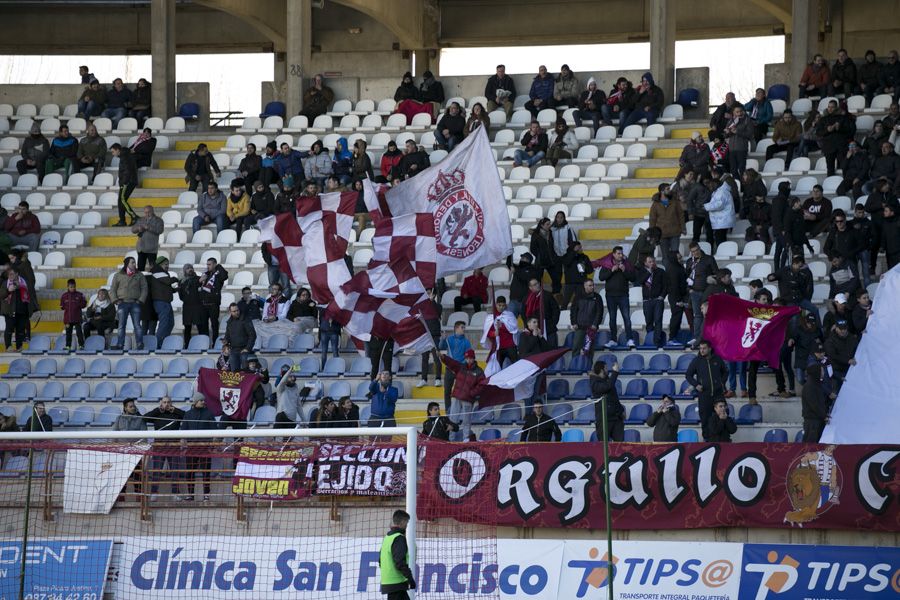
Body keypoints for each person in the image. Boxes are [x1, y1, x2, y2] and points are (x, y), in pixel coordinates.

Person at [686, 340, 728, 441]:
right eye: (700, 348)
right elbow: (688, 375)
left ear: (709, 348)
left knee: (722, 415)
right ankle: (707, 440)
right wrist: (696, 385)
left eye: (704, 348)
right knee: (705, 418)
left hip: (718, 394)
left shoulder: (717, 359)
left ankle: (723, 438)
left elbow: (725, 372)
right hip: (704, 395)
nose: (702, 350)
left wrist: (721, 383)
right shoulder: (697, 361)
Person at [143, 396, 185, 498]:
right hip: (159, 446)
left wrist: (175, 410)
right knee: (156, 471)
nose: (166, 404)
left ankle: (175, 493)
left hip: (173, 446)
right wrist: (158, 410)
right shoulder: (157, 413)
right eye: (164, 402)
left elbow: (188, 416)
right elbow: (144, 418)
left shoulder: (176, 414)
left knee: (175, 471)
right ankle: (153, 493)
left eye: (169, 402)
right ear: (161, 403)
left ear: (172, 403)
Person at [597, 246, 636, 348]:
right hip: (610, 296)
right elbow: (601, 278)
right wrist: (612, 270)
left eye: (621, 253)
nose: (620, 255)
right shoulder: (607, 264)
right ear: (613, 254)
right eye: (618, 253)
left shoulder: (626, 264)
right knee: (612, 318)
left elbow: (633, 278)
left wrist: (624, 271)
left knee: (627, 318)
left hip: (623, 295)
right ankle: (613, 340)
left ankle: (630, 339)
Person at [442, 349, 486, 440]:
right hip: (456, 397)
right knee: (452, 420)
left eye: (470, 358)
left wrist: (471, 393)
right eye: (467, 358)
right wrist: (444, 358)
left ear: (474, 358)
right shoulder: (461, 367)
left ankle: (466, 440)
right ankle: (451, 440)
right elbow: (452, 363)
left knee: (467, 421)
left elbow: (482, 385)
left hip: (468, 399)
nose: (468, 360)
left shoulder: (479, 371)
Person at [181, 393, 217, 502]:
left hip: (205, 448)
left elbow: (215, 431)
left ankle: (206, 495)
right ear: (195, 401)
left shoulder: (209, 414)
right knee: (189, 472)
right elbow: (183, 431)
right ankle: (190, 495)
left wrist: (212, 444)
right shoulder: (188, 414)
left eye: (203, 400)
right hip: (191, 449)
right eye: (201, 400)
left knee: (206, 472)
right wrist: (183, 443)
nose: (203, 402)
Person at [109, 257, 147, 350]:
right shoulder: (118, 275)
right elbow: (113, 289)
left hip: (135, 303)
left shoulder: (140, 275)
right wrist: (116, 300)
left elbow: (144, 288)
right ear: (127, 264)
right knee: (121, 325)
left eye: (135, 263)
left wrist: (140, 300)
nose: (135, 264)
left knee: (137, 325)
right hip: (122, 302)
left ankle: (139, 344)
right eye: (132, 263)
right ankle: (120, 344)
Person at [379, 509, 416, 600]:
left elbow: (380, 560)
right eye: (407, 523)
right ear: (403, 522)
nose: (407, 526)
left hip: (389, 582)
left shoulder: (388, 537)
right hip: (396, 583)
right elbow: (400, 562)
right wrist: (410, 578)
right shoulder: (399, 538)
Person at [635, 255, 668, 349]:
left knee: (658, 320)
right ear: (645, 263)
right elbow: (639, 282)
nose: (652, 263)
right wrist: (648, 272)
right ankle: (650, 339)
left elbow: (665, 286)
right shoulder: (642, 272)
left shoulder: (661, 271)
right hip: (646, 301)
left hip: (657, 300)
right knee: (648, 321)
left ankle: (656, 341)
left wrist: (662, 296)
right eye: (649, 262)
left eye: (653, 261)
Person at [439, 321, 472, 412]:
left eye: (464, 327)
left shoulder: (466, 342)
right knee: (447, 391)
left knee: (461, 391)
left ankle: (459, 410)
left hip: (460, 369)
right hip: (449, 368)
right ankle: (448, 410)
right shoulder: (449, 339)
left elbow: (468, 356)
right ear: (456, 328)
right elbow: (441, 347)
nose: (464, 329)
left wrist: (458, 365)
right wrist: (442, 339)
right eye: (462, 327)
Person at [815, 100, 853, 177]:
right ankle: (829, 185)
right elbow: (818, 132)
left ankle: (845, 183)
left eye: (832, 107)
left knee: (845, 166)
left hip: (841, 146)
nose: (830, 109)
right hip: (828, 147)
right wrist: (827, 130)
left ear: (836, 108)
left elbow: (849, 131)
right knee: (830, 169)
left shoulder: (843, 118)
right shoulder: (823, 119)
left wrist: (839, 128)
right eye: (829, 107)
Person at [106, 143, 138, 227]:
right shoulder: (124, 155)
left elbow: (127, 171)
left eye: (113, 152)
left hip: (128, 182)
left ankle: (134, 217)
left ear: (117, 150)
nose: (112, 154)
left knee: (122, 200)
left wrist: (124, 182)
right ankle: (122, 220)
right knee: (120, 201)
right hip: (129, 181)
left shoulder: (125, 156)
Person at [590, 360, 624, 441]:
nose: (607, 370)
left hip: (616, 418)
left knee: (619, 445)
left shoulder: (607, 380)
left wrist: (621, 411)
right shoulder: (594, 382)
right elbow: (606, 387)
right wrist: (615, 372)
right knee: (603, 445)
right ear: (602, 370)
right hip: (603, 420)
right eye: (606, 368)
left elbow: (614, 397)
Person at [570, 279, 604, 359]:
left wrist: (595, 324)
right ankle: (575, 365)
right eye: (590, 285)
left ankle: (588, 367)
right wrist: (574, 323)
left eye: (593, 285)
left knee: (590, 350)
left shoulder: (597, 297)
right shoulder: (578, 296)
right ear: (585, 286)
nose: (592, 287)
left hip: (591, 328)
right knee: (576, 348)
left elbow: (599, 312)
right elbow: (573, 311)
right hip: (579, 327)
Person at [704, 170, 737, 249]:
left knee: (720, 239)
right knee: (720, 238)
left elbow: (719, 205)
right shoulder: (718, 191)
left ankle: (722, 252)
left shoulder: (722, 192)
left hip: (723, 220)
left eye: (711, 185)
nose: (710, 187)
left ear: (715, 184)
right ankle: (722, 252)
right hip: (721, 220)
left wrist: (705, 207)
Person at [199, 257, 229, 343]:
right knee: (204, 325)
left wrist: (218, 266)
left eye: (209, 264)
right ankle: (205, 343)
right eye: (207, 264)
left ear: (214, 264)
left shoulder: (219, 274)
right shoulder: (206, 274)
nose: (207, 266)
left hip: (213, 303)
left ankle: (215, 343)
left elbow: (224, 276)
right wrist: (200, 280)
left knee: (214, 325)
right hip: (204, 303)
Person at [649, 182, 684, 253]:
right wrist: (652, 234)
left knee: (675, 255)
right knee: (665, 256)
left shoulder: (675, 202)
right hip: (662, 234)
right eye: (667, 189)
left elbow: (681, 215)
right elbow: (652, 219)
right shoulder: (655, 204)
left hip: (675, 233)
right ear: (662, 191)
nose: (670, 190)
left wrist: (683, 228)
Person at [524, 278, 560, 347]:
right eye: (534, 285)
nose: (537, 286)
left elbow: (556, 310)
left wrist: (553, 323)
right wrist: (528, 326)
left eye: (537, 283)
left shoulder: (548, 295)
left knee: (552, 351)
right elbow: (524, 313)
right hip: (534, 330)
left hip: (549, 329)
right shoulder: (527, 298)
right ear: (530, 287)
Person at [1, 267, 30, 351]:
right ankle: (8, 346)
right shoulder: (5, 283)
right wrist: (8, 290)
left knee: (20, 330)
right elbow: (1, 295)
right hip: (9, 310)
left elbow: (29, 296)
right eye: (8, 274)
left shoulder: (24, 283)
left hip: (21, 310)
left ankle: (19, 346)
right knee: (9, 329)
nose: (9, 276)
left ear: (17, 274)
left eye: (11, 274)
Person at [147, 257, 176, 341]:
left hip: (166, 301)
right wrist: (176, 279)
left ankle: (164, 340)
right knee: (164, 323)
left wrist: (176, 290)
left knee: (170, 323)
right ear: (160, 264)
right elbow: (168, 281)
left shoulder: (162, 272)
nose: (167, 266)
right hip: (161, 302)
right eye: (165, 264)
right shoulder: (157, 271)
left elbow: (166, 287)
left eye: (168, 264)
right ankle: (158, 342)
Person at [824, 319, 859, 388]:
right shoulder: (830, 341)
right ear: (836, 328)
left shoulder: (852, 338)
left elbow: (858, 348)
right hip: (837, 372)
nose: (843, 331)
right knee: (837, 393)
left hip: (850, 370)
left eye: (844, 328)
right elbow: (833, 355)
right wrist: (847, 360)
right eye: (840, 329)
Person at [222, 303, 256, 372]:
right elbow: (227, 335)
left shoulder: (246, 320)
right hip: (234, 350)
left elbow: (253, 335)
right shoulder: (229, 322)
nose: (236, 312)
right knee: (234, 373)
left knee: (246, 372)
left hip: (244, 350)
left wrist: (247, 348)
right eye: (234, 311)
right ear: (230, 312)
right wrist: (225, 341)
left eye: (237, 310)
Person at [801, 363, 830, 443]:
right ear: (816, 372)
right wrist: (824, 416)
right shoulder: (810, 386)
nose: (823, 373)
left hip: (817, 420)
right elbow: (814, 405)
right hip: (812, 422)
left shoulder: (816, 384)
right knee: (811, 445)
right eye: (822, 371)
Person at [129, 205, 163, 271]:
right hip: (141, 248)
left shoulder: (158, 220)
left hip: (151, 248)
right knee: (140, 269)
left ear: (152, 211)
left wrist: (149, 227)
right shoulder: (141, 220)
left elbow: (160, 230)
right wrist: (138, 228)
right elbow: (133, 229)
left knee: (153, 269)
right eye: (145, 212)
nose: (147, 214)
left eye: (149, 212)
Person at [723, 105, 753, 179]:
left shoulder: (747, 120)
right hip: (732, 149)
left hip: (741, 149)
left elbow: (750, 135)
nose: (739, 113)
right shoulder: (730, 121)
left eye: (740, 111)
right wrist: (727, 132)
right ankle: (738, 186)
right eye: (737, 112)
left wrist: (737, 131)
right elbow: (725, 136)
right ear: (733, 113)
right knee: (733, 170)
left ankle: (743, 187)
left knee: (742, 170)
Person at [561, 241, 593, 309]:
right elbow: (566, 263)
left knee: (581, 301)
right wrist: (574, 252)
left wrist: (585, 267)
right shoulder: (566, 256)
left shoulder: (584, 257)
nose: (581, 249)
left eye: (581, 247)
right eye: (579, 247)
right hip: (569, 283)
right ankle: (561, 316)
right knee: (565, 301)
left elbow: (590, 270)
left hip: (581, 283)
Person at [60, 278, 87, 351]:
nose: (73, 288)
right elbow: (62, 307)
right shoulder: (64, 296)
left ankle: (81, 345)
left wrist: (79, 304)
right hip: (68, 318)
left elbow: (84, 304)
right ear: (67, 287)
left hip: (77, 318)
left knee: (79, 332)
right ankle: (68, 346)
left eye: (74, 286)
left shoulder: (80, 295)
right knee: (68, 333)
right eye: (71, 287)